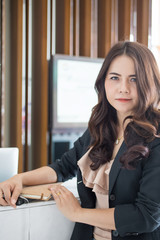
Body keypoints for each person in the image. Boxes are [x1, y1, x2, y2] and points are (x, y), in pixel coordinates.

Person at [1, 41, 160, 240]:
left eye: (134, 79)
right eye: (115, 78)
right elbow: (63, 167)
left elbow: (146, 216)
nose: (123, 88)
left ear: (150, 82)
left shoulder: (155, 136)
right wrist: (20, 179)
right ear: (103, 82)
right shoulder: (101, 127)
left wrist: (77, 213)